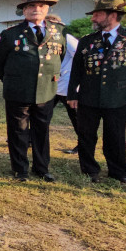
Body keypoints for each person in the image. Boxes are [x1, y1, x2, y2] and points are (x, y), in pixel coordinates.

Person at [67, 0, 126, 184]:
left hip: (118, 97)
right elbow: (77, 70)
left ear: (112, 15)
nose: (93, 19)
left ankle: (118, 171)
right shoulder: (87, 41)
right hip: (88, 97)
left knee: (115, 136)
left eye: (97, 15)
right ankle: (89, 169)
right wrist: (72, 94)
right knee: (86, 135)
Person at [0, 0, 65, 182]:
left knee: (42, 131)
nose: (36, 10)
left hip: (46, 91)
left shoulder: (58, 32)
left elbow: (60, 57)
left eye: (41, 6)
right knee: (18, 131)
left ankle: (42, 168)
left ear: (47, 9)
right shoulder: (10, 34)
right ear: (24, 10)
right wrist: (13, 80)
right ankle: (20, 169)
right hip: (18, 91)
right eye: (31, 6)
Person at [51, 14, 82, 155]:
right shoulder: (46, 37)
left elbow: (80, 56)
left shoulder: (67, 38)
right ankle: (32, 138)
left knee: (75, 116)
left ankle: (83, 143)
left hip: (67, 83)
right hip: (52, 84)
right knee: (41, 113)